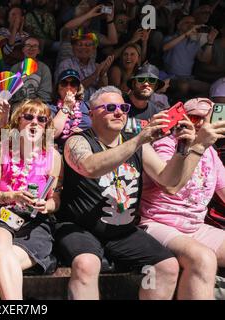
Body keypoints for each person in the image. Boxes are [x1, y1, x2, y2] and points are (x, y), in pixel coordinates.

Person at [56, 85, 214, 300]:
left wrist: (184, 149)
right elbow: (90, 167)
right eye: (110, 107)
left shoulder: (137, 145)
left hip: (121, 230)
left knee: (166, 267)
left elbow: (169, 183)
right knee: (86, 264)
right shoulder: (78, 141)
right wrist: (139, 139)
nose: (119, 112)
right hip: (81, 227)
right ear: (91, 113)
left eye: (123, 107)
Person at [139, 98, 225, 299]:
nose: (202, 125)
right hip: (159, 223)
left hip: (195, 227)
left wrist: (202, 146)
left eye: (208, 120)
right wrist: (195, 146)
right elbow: (169, 185)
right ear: (182, 120)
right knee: (204, 259)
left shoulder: (211, 152)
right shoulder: (166, 144)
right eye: (196, 118)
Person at [0, 99, 63, 300]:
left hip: (36, 223)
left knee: (4, 262)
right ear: (18, 121)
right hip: (2, 216)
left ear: (46, 126)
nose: (35, 122)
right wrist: (14, 195)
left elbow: (56, 199)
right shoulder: (2, 148)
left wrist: (47, 205)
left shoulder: (53, 156)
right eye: (28, 117)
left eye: (41, 119)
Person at [162, 15, 218, 96]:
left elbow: (204, 59)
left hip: (188, 78)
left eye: (193, 23)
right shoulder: (170, 38)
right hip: (171, 77)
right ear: (178, 25)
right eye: (187, 22)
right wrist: (186, 34)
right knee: (184, 86)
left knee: (212, 89)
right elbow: (165, 47)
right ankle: (178, 103)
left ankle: (193, 103)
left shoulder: (194, 42)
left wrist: (210, 42)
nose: (191, 25)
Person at [55, 30, 114, 102]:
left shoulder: (97, 66)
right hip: (72, 104)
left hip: (94, 106)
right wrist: (95, 75)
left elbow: (103, 92)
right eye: (79, 44)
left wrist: (101, 75)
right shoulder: (66, 64)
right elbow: (70, 90)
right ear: (73, 48)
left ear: (93, 49)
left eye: (87, 45)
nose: (83, 48)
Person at [50, 69, 91, 152]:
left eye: (73, 84)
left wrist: (84, 133)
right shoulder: (50, 108)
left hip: (88, 148)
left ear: (78, 89)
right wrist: (66, 107)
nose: (68, 87)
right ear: (58, 88)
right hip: (61, 151)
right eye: (64, 83)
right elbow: (51, 134)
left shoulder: (88, 106)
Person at [123, 63, 168, 136]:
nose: (146, 84)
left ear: (156, 86)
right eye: (141, 79)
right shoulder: (119, 105)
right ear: (134, 83)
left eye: (152, 80)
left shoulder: (156, 114)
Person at [10, 37, 52, 105]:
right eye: (28, 45)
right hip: (19, 105)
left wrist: (32, 105)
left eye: (35, 46)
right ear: (23, 49)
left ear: (38, 51)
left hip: (38, 105)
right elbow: (12, 93)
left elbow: (45, 94)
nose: (31, 49)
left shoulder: (44, 68)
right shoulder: (15, 68)